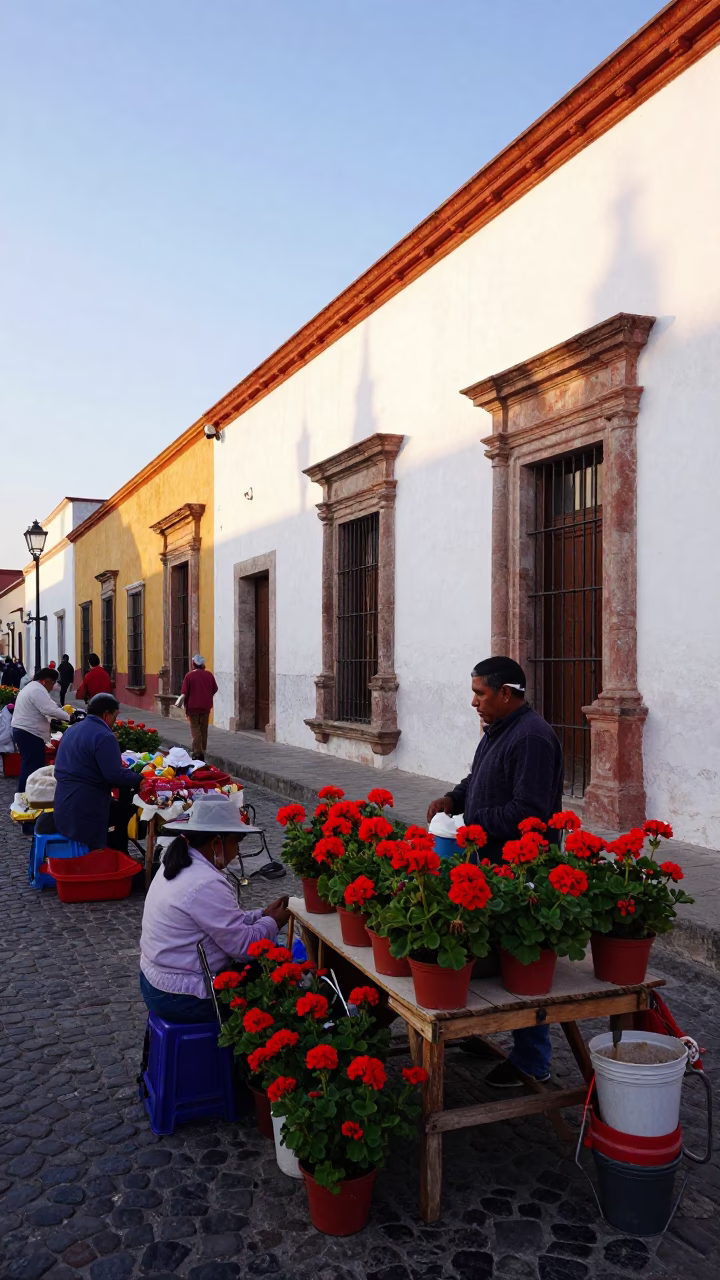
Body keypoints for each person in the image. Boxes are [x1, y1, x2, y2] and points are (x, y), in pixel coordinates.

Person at [427, 656, 563, 1089]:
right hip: (490, 863)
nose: (474, 702)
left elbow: (531, 812)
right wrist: (454, 799)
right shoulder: (498, 731)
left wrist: (474, 823)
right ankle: (480, 1028)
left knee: (523, 962)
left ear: (507, 694)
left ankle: (532, 1059)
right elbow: (478, 778)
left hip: (521, 868)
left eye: (480, 693)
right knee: (488, 948)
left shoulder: (533, 739)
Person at [139, 800, 291, 1023]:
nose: (238, 851)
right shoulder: (204, 882)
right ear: (216, 843)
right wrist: (273, 922)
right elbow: (245, 948)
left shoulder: (181, 862)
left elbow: (224, 923)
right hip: (179, 995)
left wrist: (261, 915)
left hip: (156, 981)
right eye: (237, 842)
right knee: (276, 984)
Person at [54, 692, 141, 852]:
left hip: (63, 803)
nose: (115, 721)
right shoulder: (104, 735)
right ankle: (117, 855)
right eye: (115, 716)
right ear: (106, 714)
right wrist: (140, 779)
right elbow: (114, 775)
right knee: (128, 813)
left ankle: (116, 851)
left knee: (120, 809)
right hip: (86, 807)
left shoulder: (73, 730)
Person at [12, 669, 72, 792]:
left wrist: (57, 718)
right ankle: (26, 794)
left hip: (25, 730)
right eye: (53, 682)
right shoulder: (37, 690)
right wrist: (69, 717)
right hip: (29, 732)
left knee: (30, 764)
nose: (53, 686)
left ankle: (27, 793)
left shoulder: (35, 688)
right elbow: (48, 709)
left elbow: (50, 706)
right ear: (46, 681)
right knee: (31, 766)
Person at [178, 654, 218, 759]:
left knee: (195, 729)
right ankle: (203, 748)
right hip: (206, 707)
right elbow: (214, 689)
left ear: (193, 664)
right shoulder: (209, 675)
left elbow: (184, 692)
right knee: (203, 728)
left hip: (193, 707)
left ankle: (197, 752)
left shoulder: (189, 676)